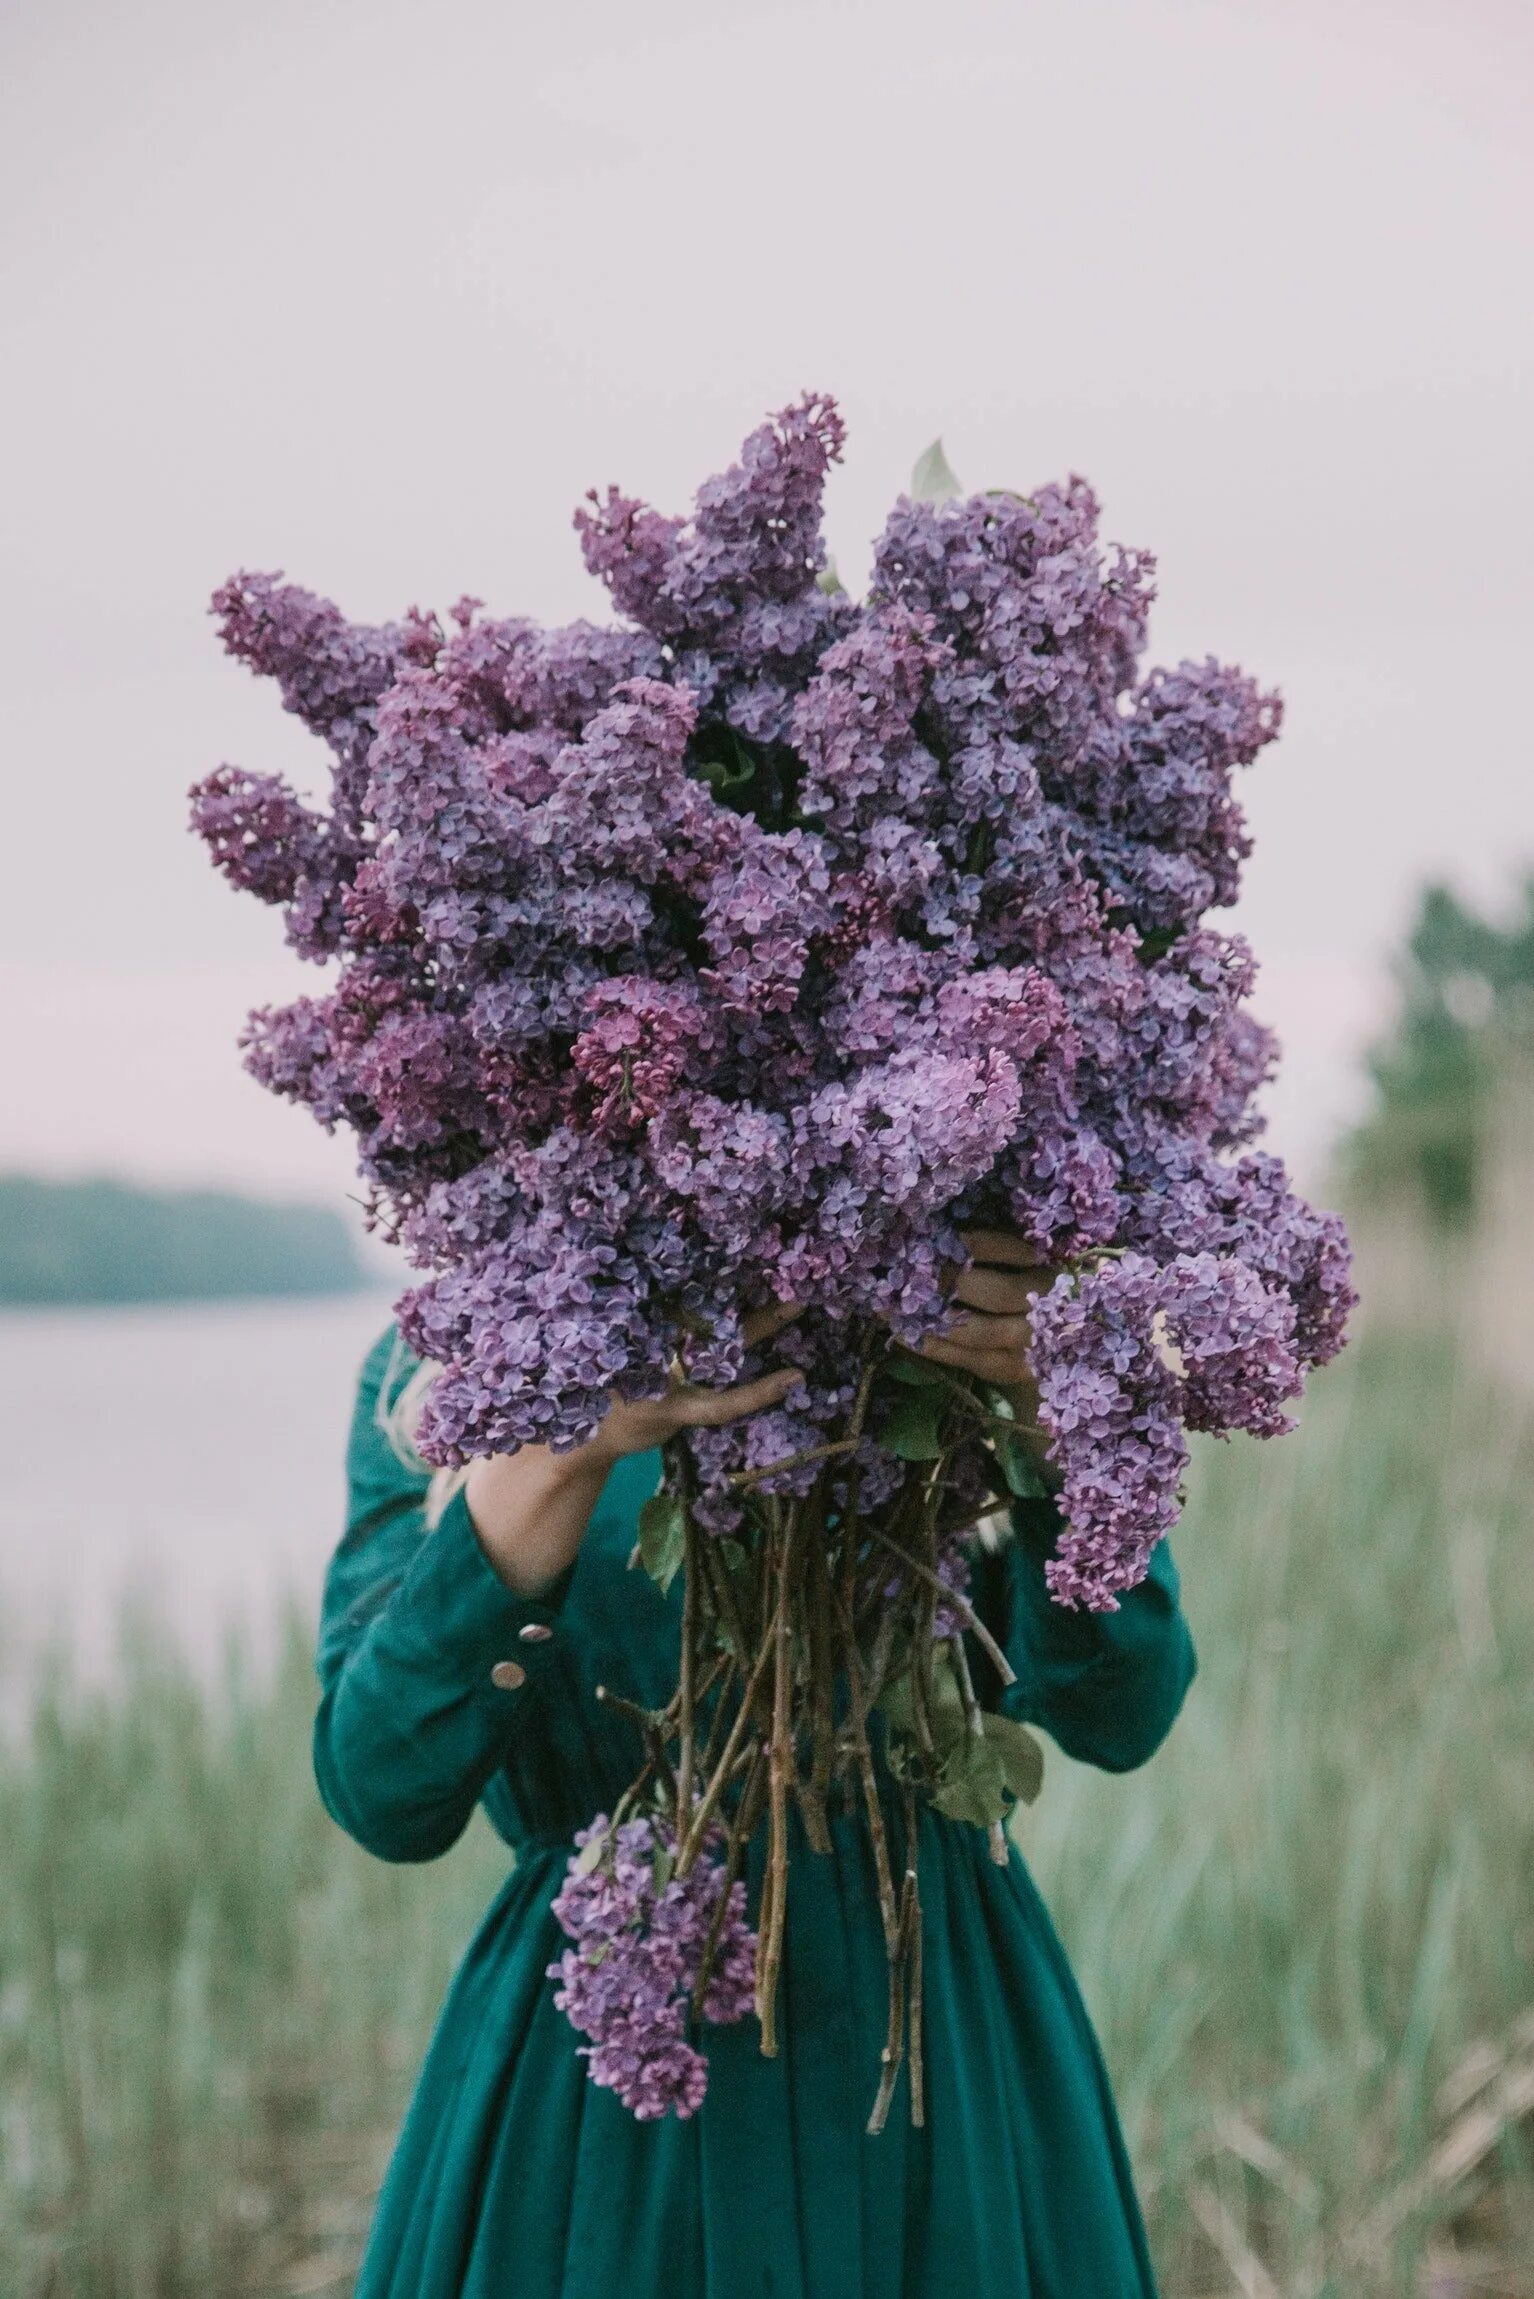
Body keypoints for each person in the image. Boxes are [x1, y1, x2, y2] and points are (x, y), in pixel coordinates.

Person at [317, 1232, 1197, 2297]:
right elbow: (382, 1791)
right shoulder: (448, 1358)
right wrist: (559, 1448)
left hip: (932, 2034)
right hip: (609, 2076)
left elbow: (1125, 1713)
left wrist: (1050, 1399)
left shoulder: (956, 1278)